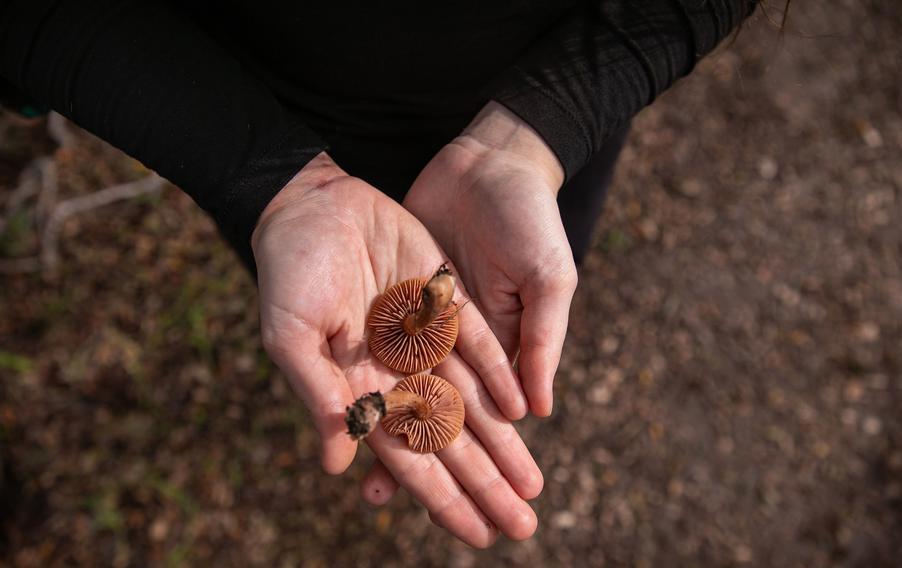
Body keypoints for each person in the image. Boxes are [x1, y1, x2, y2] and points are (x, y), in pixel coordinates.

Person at [0, 0, 757, 547]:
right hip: (259, 120)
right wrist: (263, 177)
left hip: (543, 115)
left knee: (512, 309)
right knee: (320, 300)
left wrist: (544, 129)